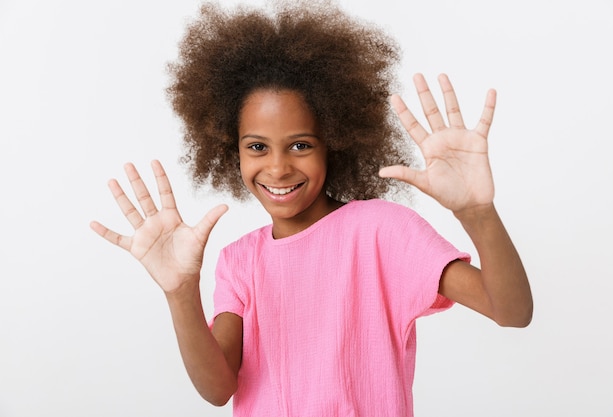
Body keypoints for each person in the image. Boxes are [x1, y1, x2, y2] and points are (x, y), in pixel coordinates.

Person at [90, 1, 533, 415]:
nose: (278, 167)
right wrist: (180, 292)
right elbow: (217, 388)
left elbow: (511, 311)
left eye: (300, 145)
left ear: (334, 145)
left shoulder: (380, 231)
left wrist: (477, 213)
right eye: (258, 147)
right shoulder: (240, 261)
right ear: (232, 153)